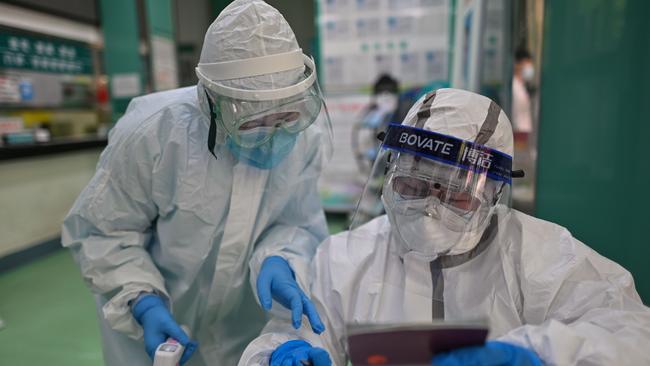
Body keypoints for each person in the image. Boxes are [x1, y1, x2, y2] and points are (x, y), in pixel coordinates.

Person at [238, 88, 650, 366]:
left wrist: (537, 353)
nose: (429, 208)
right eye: (413, 185)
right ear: (390, 175)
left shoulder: (538, 253)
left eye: (455, 194)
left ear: (492, 195)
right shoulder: (346, 256)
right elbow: (292, 333)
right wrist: (284, 354)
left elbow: (633, 331)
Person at [61, 1, 332, 365]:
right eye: (253, 124)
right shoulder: (152, 133)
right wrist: (142, 301)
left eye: (285, 116)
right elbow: (104, 231)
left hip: (242, 328)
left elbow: (297, 221)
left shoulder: (306, 137)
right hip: (156, 328)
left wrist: (280, 258)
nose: (274, 135)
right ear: (211, 103)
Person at [511, 48, 534, 135]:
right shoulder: (513, 87)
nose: (529, 66)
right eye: (526, 63)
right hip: (517, 135)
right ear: (517, 64)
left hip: (523, 136)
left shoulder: (522, 86)